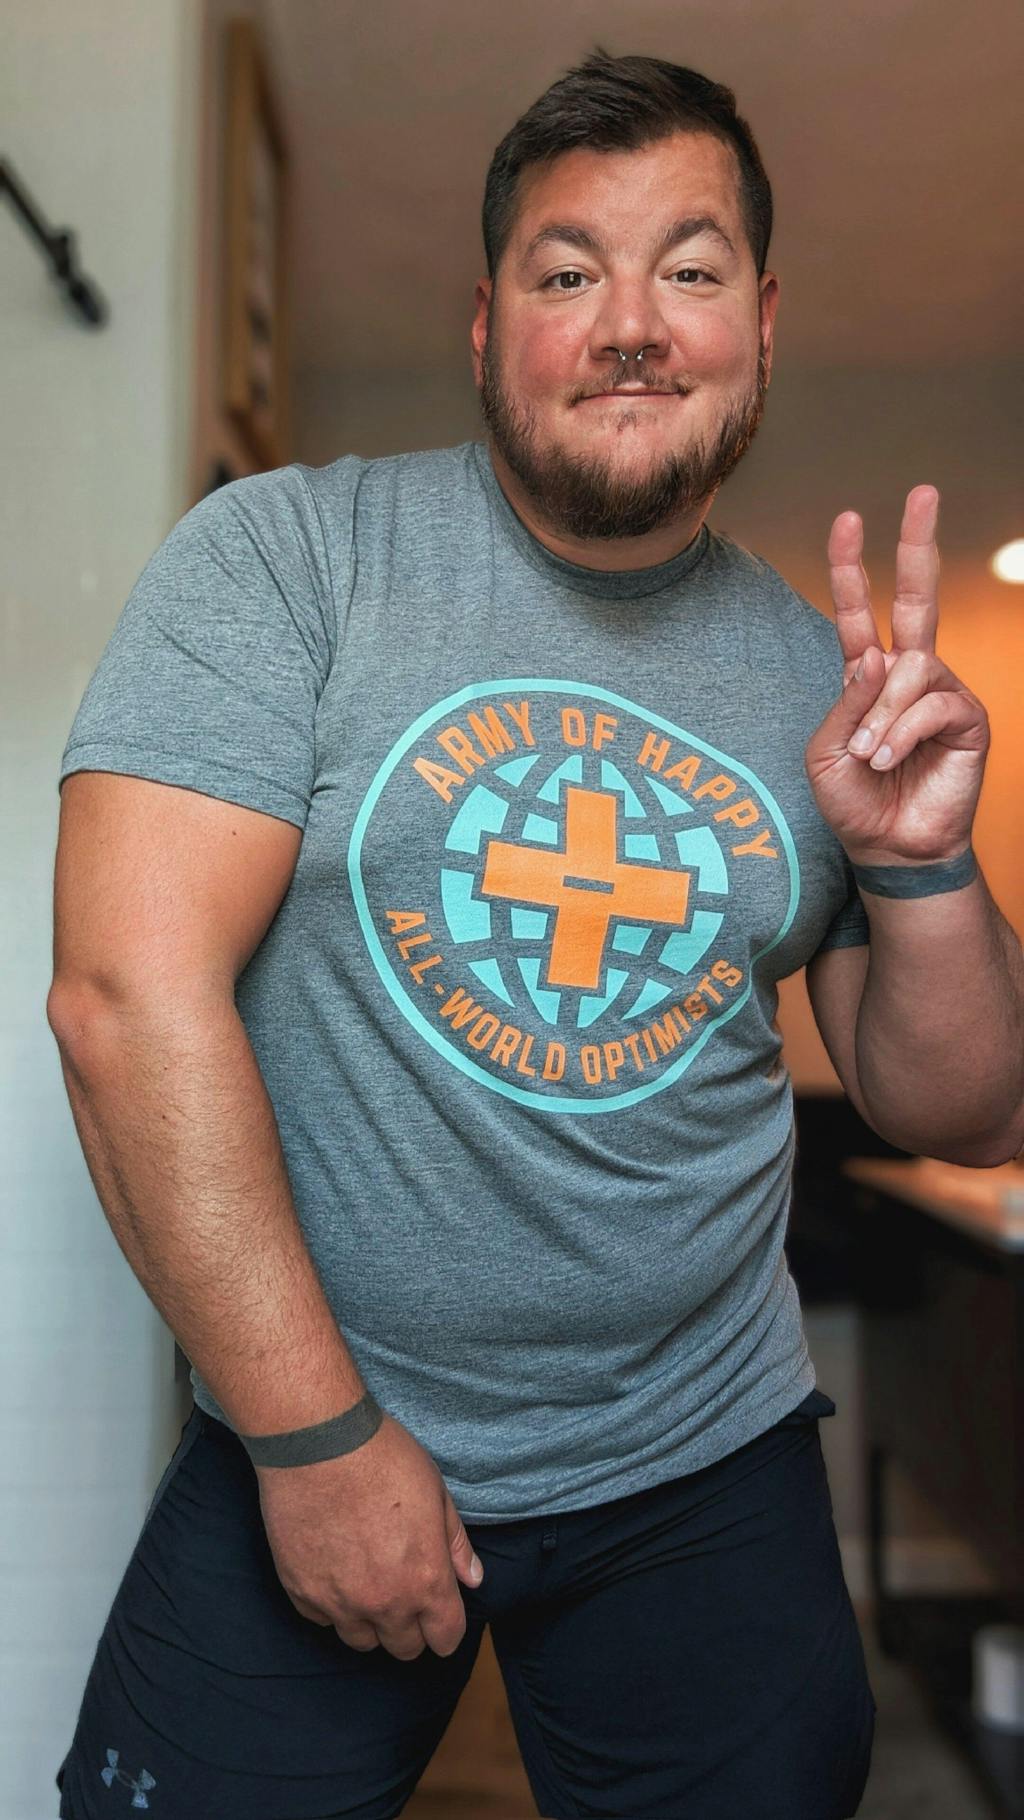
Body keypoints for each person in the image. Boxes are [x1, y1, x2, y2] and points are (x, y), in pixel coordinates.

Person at [48, 49, 1022, 1820]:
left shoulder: (814, 677)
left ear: (761, 324)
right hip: (320, 1418)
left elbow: (958, 1109)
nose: (631, 323)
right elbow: (126, 999)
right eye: (569, 272)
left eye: (690, 268)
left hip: (707, 1453)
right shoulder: (288, 560)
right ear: (489, 325)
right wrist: (315, 1440)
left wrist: (924, 863)